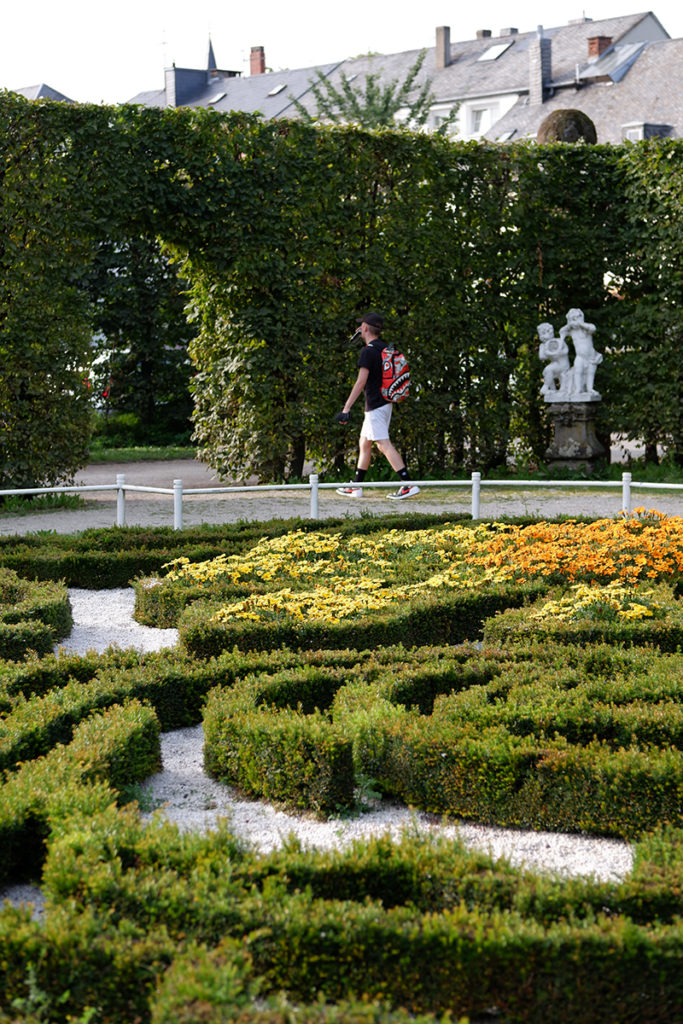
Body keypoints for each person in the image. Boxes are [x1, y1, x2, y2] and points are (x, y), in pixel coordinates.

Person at [334, 311, 419, 500]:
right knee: (365, 442)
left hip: (375, 405)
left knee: (383, 444)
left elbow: (360, 382)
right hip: (385, 402)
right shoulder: (384, 348)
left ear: (364, 328)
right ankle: (357, 485)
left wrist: (346, 407)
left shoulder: (368, 351)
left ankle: (407, 484)